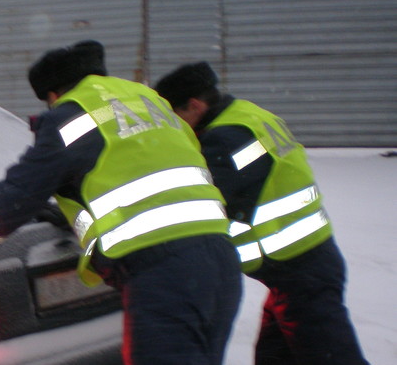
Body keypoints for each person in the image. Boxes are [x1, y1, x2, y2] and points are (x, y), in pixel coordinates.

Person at [0, 41, 242, 365]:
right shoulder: (149, 101)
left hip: (163, 270)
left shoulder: (71, 115)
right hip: (219, 258)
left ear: (53, 95)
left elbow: (20, 191)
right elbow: (150, 168)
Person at [155, 61, 369, 365]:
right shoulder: (248, 115)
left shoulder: (227, 138)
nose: (176, 126)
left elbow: (205, 200)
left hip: (300, 271)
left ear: (195, 105)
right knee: (275, 356)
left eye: (176, 116)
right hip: (303, 266)